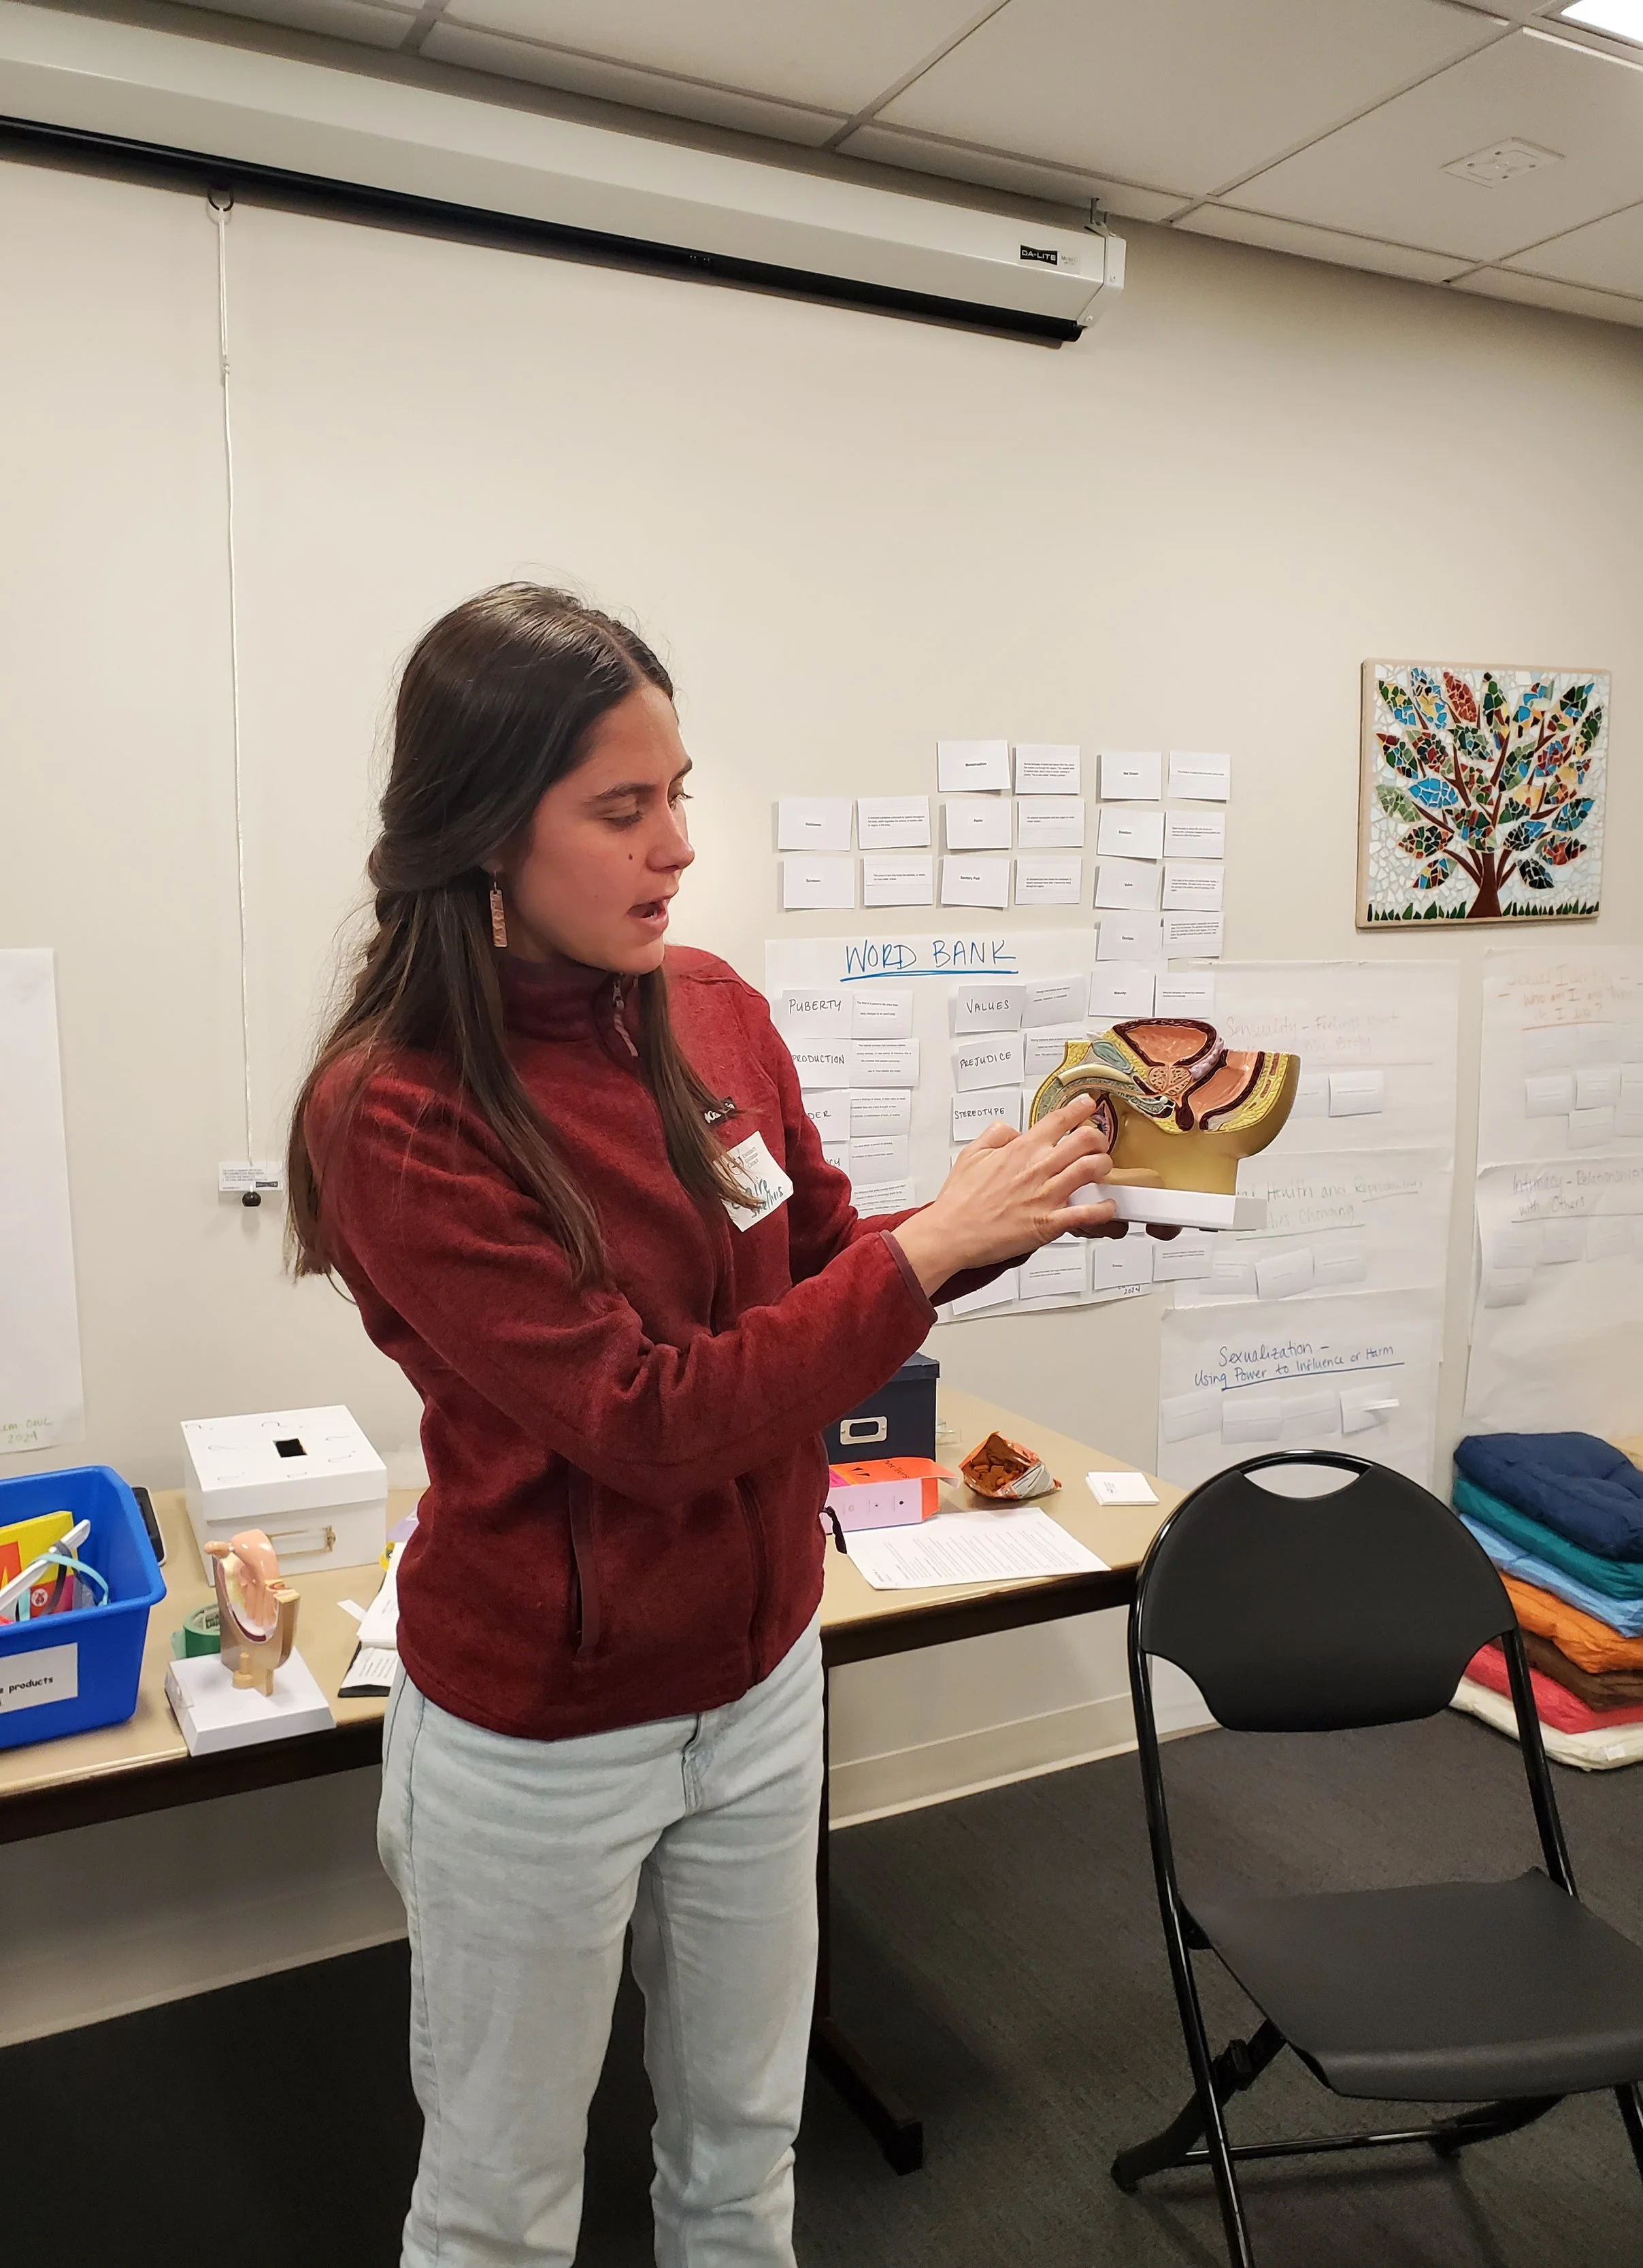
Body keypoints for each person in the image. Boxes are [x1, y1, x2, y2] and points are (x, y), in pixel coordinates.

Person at [285, 582, 1116, 2268]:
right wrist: (929, 1249)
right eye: (621, 809)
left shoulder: (713, 1004)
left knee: (741, 2146)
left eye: (680, 794)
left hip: (757, 1683)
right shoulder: (396, 1108)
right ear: (478, 832)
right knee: (502, 2202)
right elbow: (643, 1417)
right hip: (540, 1735)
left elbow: (810, 1260)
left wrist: (983, 1222)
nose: (675, 845)